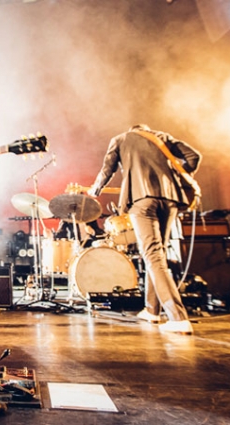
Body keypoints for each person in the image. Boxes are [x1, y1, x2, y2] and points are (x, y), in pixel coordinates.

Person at [88, 124, 201, 335]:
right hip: (170, 199)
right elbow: (194, 157)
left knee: (153, 255)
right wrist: (174, 174)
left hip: (142, 200)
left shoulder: (120, 139)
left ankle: (178, 317)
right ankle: (152, 310)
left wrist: (96, 188)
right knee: (158, 254)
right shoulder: (162, 136)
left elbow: (107, 168)